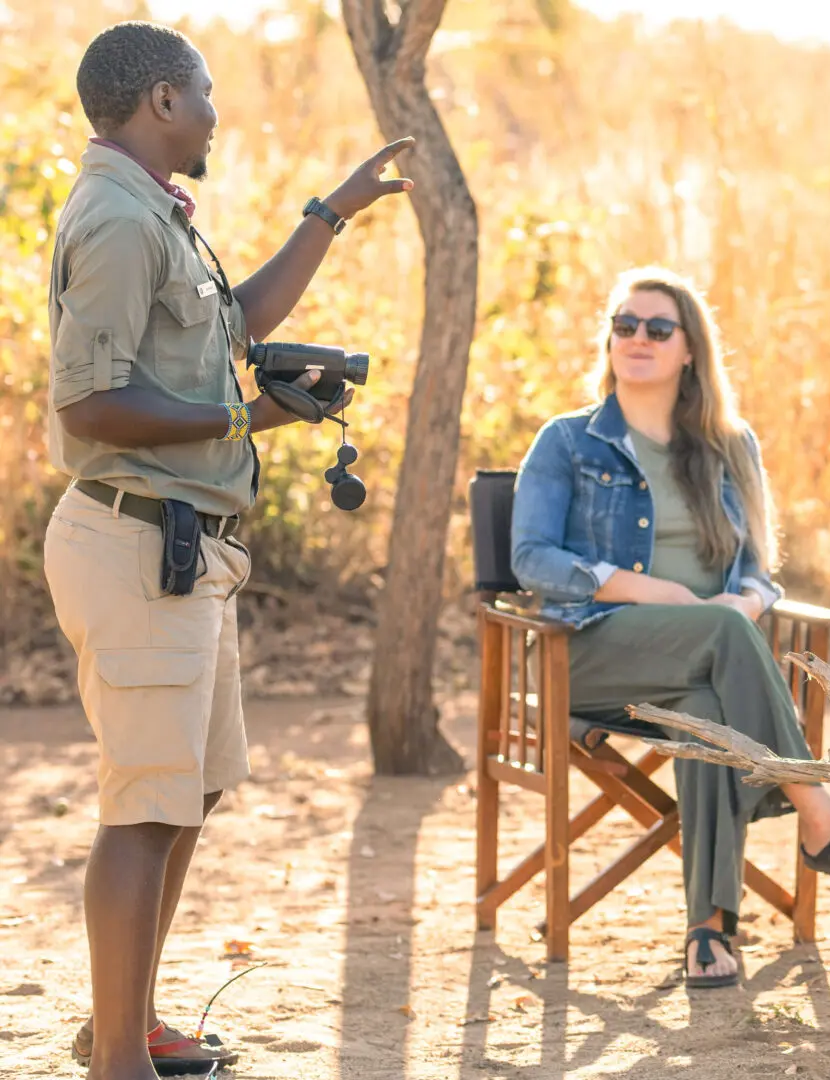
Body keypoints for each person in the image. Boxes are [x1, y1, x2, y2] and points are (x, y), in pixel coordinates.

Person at [43, 21, 415, 1079]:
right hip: (133, 541)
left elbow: (238, 322)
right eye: (205, 93)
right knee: (143, 805)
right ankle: (120, 1060)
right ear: (162, 101)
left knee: (186, 793)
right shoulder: (114, 218)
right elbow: (93, 402)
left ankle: (126, 1023)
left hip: (187, 552)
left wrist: (330, 215)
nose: (216, 112)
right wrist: (242, 420)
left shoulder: (156, 214)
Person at [510, 266, 830, 990]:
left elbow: (761, 569)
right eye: (624, 324)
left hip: (703, 674)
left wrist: (750, 604)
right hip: (586, 656)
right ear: (609, 339)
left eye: (657, 328)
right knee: (724, 636)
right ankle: (815, 809)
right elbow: (531, 558)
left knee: (708, 710)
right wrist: (656, 593)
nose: (637, 338)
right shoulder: (567, 442)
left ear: (689, 348)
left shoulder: (730, 447)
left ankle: (709, 932)